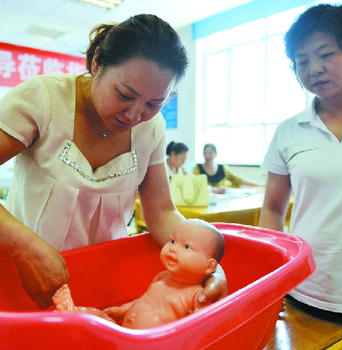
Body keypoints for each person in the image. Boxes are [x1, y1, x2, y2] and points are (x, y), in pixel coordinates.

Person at [0, 14, 227, 310]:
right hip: (27, 274)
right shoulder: (43, 100)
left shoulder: (152, 128)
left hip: (107, 276)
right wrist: (24, 248)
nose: (134, 116)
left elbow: (160, 213)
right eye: (124, 94)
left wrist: (207, 264)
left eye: (153, 104)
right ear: (97, 63)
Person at [259, 2, 342, 319]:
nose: (314, 69)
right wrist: (272, 278)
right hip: (304, 290)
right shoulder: (288, 132)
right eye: (302, 61)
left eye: (326, 55)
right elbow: (272, 209)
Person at [53, 219, 225, 329]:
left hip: (151, 344)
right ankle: (72, 313)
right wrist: (123, 310)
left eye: (186, 247)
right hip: (121, 332)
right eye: (172, 241)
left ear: (209, 266)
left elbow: (197, 328)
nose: (173, 248)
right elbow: (144, 300)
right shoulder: (162, 277)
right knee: (98, 317)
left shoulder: (197, 295)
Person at [193, 143, 262, 194]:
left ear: (215, 154)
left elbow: (237, 179)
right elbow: (196, 185)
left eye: (210, 153)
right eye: (205, 153)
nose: (207, 156)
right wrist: (214, 190)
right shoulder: (197, 169)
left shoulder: (222, 168)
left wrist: (260, 185)